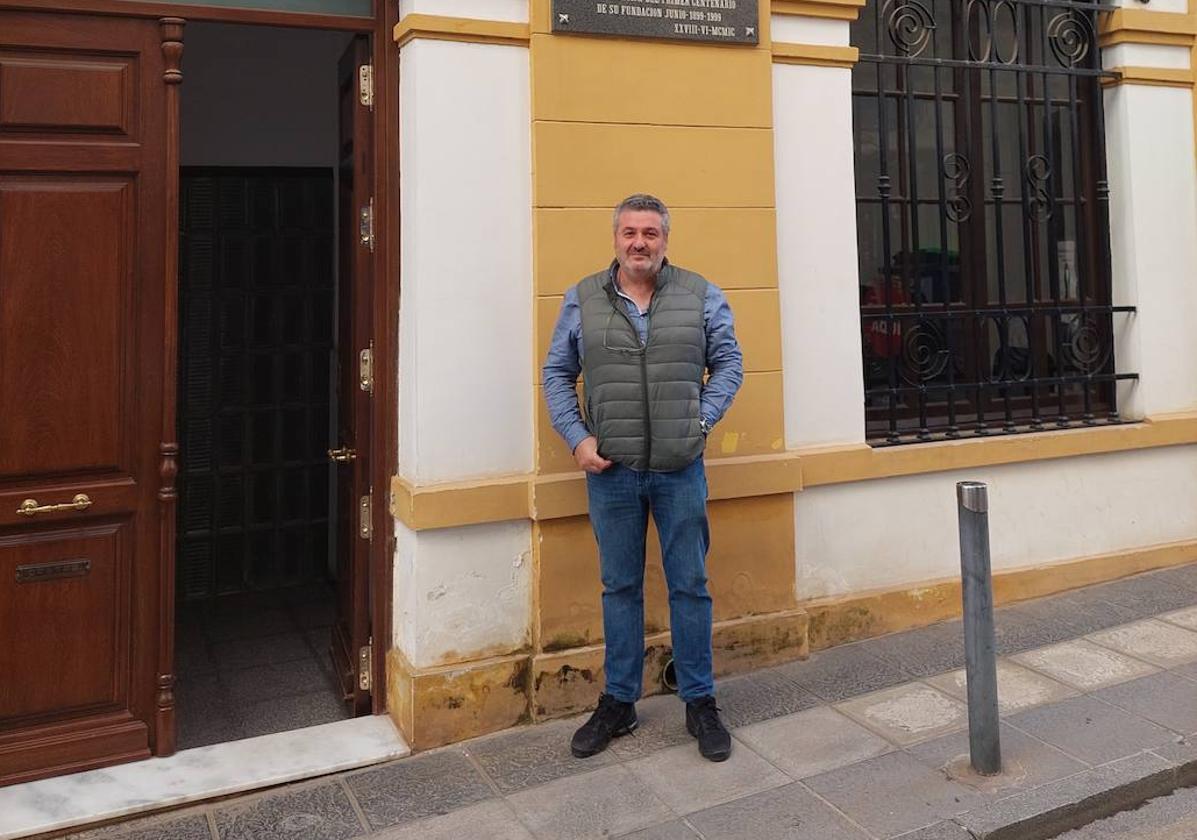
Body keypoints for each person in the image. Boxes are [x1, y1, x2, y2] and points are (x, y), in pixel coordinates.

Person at [541, 193, 744, 762]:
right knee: (620, 587)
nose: (639, 242)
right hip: (613, 473)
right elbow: (557, 372)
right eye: (629, 232)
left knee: (690, 586)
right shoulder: (583, 298)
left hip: (680, 470)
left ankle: (700, 701)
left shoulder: (700, 294)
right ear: (615, 239)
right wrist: (578, 438)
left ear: (664, 240)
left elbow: (729, 361)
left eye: (650, 233)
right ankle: (619, 702)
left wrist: (701, 418)